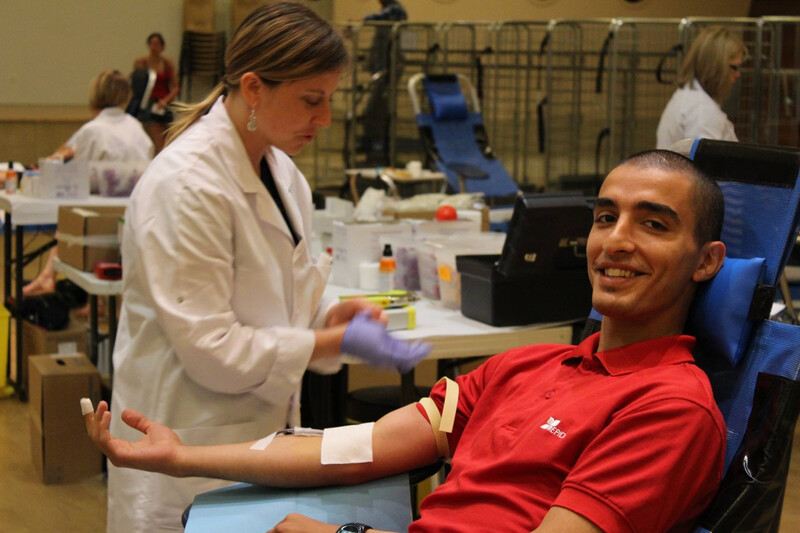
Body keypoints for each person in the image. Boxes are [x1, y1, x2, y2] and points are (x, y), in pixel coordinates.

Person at [86, 149, 728, 533]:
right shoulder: (524, 368)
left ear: (706, 261)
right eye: (606, 217)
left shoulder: (670, 408)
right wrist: (183, 457)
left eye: (654, 224)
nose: (616, 241)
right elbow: (354, 448)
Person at [103, 3, 430, 532]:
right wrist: (333, 342)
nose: (325, 119)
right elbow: (212, 350)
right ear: (254, 88)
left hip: (257, 441)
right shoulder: (188, 184)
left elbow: (281, 293)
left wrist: (331, 315)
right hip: (186, 437)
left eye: (330, 99)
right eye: (311, 100)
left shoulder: (282, 172)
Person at [23, 70, 153, 298]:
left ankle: (47, 276)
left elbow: (71, 170)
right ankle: (87, 297)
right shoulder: (137, 128)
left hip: (97, 213)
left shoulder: (92, 130)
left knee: (71, 220)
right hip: (136, 211)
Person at [656, 26, 748, 149]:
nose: (737, 74)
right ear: (716, 67)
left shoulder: (689, 96)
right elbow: (705, 159)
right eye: (734, 67)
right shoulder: (701, 111)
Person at [359, 0, 407, 163]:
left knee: (378, 110)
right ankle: (371, 149)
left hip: (389, 71)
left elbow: (380, 18)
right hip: (381, 70)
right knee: (372, 110)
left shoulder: (395, 10)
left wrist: (362, 20)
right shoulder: (387, 11)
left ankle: (379, 150)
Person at [133, 32, 180, 153]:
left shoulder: (167, 63)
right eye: (152, 44)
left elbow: (175, 87)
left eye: (157, 44)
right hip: (149, 104)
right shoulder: (141, 62)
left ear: (162, 46)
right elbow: (136, 84)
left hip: (164, 103)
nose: (154, 47)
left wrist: (165, 101)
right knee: (158, 141)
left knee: (168, 139)